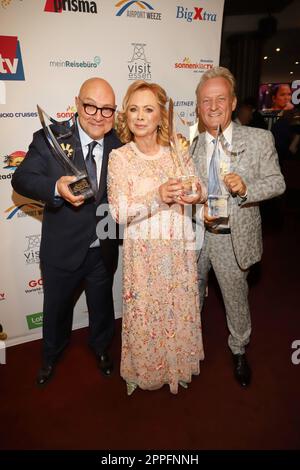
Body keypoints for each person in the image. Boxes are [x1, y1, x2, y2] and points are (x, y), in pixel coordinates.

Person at [12, 78, 122, 385]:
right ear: (77, 103)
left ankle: (101, 348)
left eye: (107, 109)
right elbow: (21, 179)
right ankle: (51, 355)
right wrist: (55, 188)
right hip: (62, 251)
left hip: (103, 248)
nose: (99, 115)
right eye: (91, 106)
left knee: (102, 307)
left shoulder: (120, 146)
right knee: (56, 311)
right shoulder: (51, 139)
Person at [108, 80, 206, 395]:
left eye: (148, 109)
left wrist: (194, 193)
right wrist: (158, 195)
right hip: (144, 254)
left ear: (160, 115)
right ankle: (142, 370)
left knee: (177, 307)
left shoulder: (176, 150)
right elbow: (119, 213)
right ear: (126, 115)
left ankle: (178, 366)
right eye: (134, 109)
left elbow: (200, 188)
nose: (140, 116)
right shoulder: (119, 157)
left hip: (177, 248)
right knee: (144, 312)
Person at [192, 66, 286, 387]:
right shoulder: (190, 146)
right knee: (192, 296)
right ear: (198, 106)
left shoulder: (260, 139)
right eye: (206, 101)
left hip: (232, 240)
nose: (213, 106)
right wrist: (194, 207)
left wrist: (246, 189)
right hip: (197, 236)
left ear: (233, 102)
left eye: (220, 99)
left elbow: (277, 183)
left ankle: (239, 348)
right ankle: (191, 346)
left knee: (236, 299)